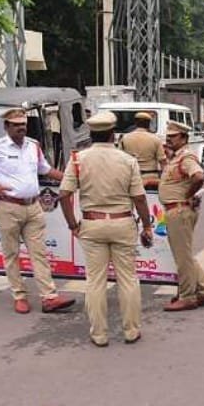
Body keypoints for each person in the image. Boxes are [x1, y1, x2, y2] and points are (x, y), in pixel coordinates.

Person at [0, 109, 76, 315]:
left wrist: (73, 179)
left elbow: (45, 170)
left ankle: (49, 297)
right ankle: (19, 296)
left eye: (23, 124)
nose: (21, 127)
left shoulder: (33, 145)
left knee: (39, 253)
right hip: (8, 207)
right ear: (6, 126)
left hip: (33, 206)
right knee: (11, 254)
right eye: (15, 124)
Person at [59, 111, 154, 347]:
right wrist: (147, 226)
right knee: (128, 279)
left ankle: (99, 334)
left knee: (95, 281)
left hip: (92, 224)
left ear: (91, 134)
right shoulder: (127, 160)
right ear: (113, 134)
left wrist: (73, 224)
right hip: (123, 223)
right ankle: (131, 330)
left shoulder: (78, 159)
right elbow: (140, 198)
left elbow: (63, 194)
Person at [160, 120, 204, 311]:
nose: (169, 140)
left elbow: (198, 176)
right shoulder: (175, 158)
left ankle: (187, 296)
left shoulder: (186, 157)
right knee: (185, 254)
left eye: (173, 137)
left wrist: (188, 195)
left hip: (179, 210)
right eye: (168, 136)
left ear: (184, 138)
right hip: (176, 209)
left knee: (182, 257)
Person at [120, 111, 165, 188]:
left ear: (136, 123)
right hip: (151, 178)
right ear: (148, 124)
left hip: (131, 177)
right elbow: (162, 161)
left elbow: (120, 159)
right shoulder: (156, 139)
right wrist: (164, 180)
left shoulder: (125, 138)